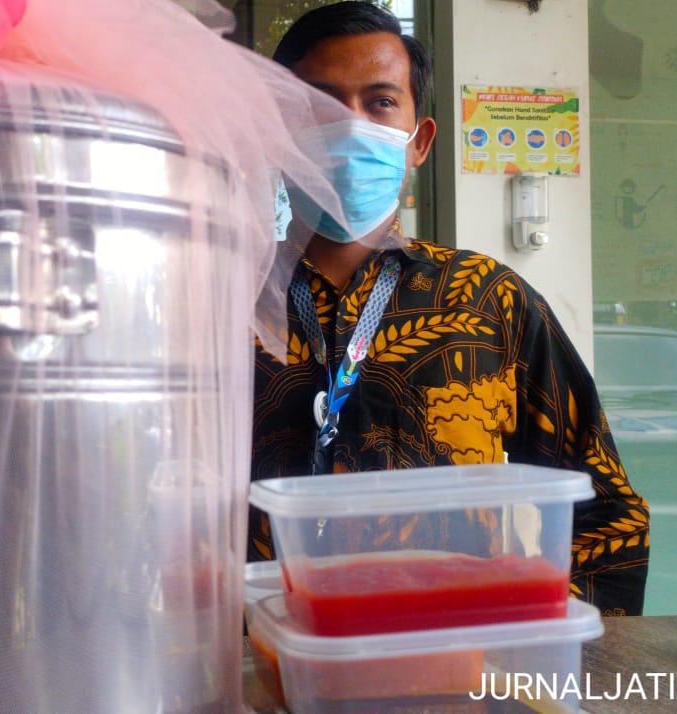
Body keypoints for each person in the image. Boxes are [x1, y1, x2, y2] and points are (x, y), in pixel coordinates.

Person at [250, 1, 649, 616]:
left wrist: (529, 643)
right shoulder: (219, 300)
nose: (350, 125)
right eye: (320, 104)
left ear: (419, 142)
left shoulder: (488, 300)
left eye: (380, 102)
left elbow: (606, 509)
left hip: (449, 656)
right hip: (254, 654)